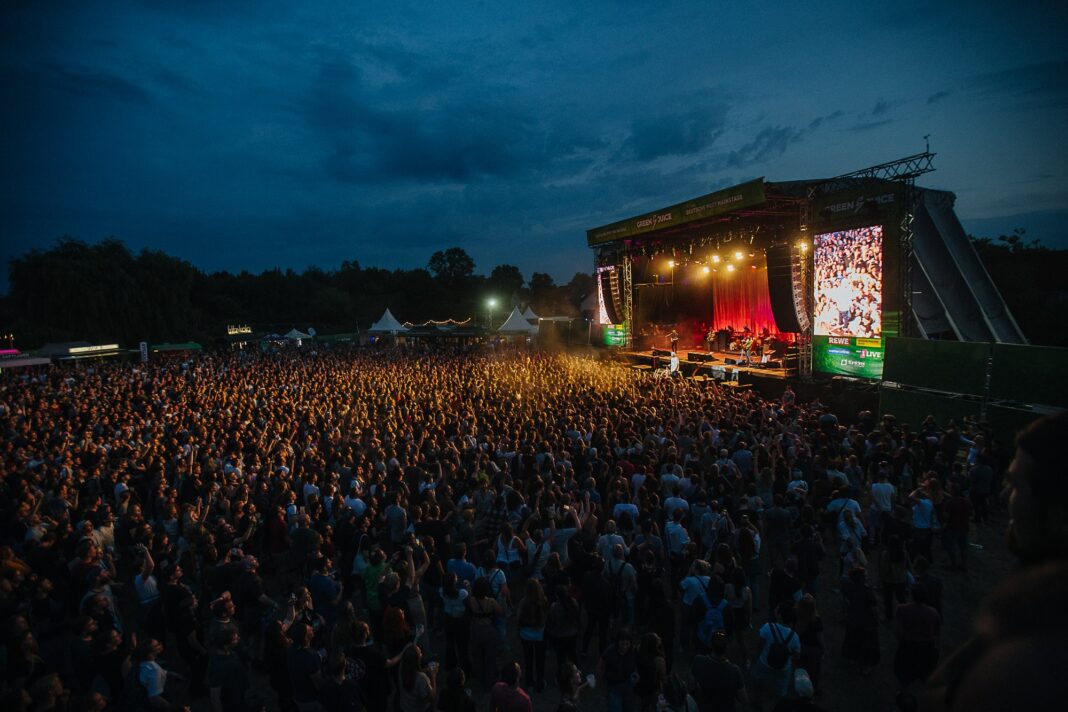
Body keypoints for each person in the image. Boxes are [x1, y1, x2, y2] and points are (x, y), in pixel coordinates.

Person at [689, 632, 745, 712]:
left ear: (711, 646)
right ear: (726, 648)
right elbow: (743, 698)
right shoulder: (735, 671)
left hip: (704, 707)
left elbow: (691, 686)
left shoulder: (698, 661)